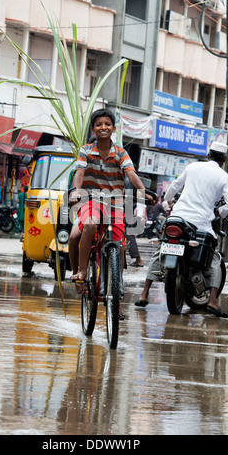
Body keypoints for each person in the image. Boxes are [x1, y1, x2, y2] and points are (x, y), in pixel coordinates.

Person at [68, 109, 154, 318]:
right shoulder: (85, 150)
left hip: (115, 204)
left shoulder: (121, 152)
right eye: (99, 124)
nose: (103, 127)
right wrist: (76, 191)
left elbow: (131, 174)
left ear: (113, 128)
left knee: (119, 248)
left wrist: (142, 191)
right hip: (90, 200)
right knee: (84, 229)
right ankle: (80, 271)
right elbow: (79, 174)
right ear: (93, 129)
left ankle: (116, 297)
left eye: (107, 124)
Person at [135, 141, 228, 318]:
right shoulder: (223, 176)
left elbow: (173, 187)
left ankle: (144, 293)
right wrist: (219, 212)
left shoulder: (193, 167)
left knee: (161, 248)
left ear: (208, 155)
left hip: (177, 218)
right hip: (201, 223)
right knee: (214, 257)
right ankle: (212, 300)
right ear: (224, 159)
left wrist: (169, 199)